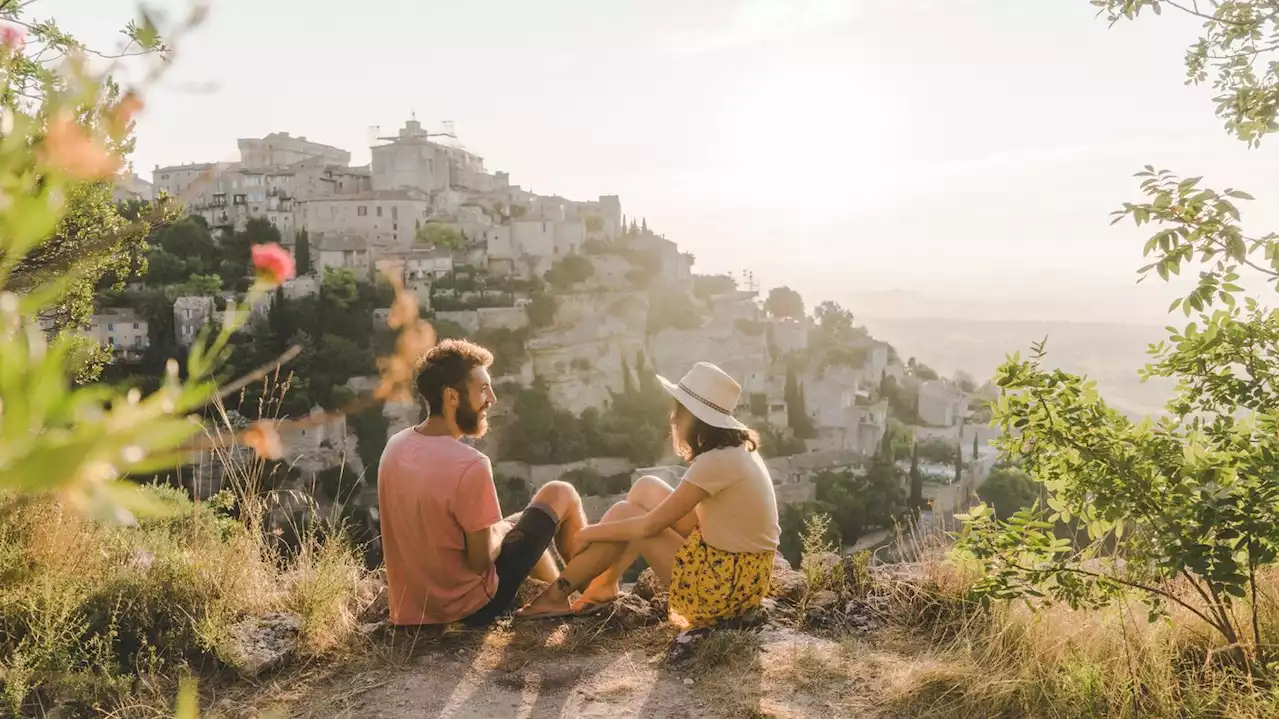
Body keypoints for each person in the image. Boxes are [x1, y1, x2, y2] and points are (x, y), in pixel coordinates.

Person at [518, 361, 780, 628]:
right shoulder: (736, 451)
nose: (673, 415)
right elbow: (691, 522)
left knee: (629, 515)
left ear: (691, 416)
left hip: (724, 592)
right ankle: (603, 586)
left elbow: (650, 525)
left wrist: (585, 534)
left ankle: (558, 593)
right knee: (646, 487)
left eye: (678, 407)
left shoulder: (716, 461)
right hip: (743, 577)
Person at [377, 339, 587, 627]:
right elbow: (480, 561)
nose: (492, 399)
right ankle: (592, 598)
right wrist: (500, 529)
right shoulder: (471, 464)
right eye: (483, 389)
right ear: (452, 396)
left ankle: (557, 602)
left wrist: (503, 528)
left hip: (413, 611)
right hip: (469, 608)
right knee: (561, 493)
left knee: (519, 526)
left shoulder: (394, 447)